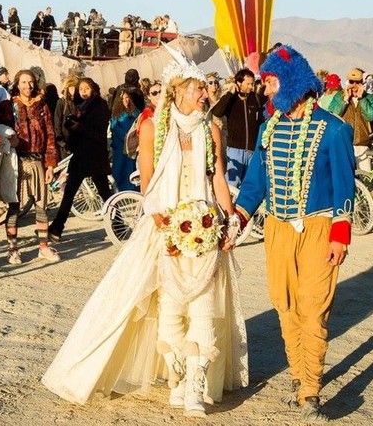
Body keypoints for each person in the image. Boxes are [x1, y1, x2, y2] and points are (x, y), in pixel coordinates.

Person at [42, 56, 248, 415]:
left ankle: (196, 385)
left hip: (204, 223)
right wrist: (162, 219)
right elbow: (148, 179)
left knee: (203, 304)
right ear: (180, 90)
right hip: (164, 222)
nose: (205, 93)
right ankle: (177, 375)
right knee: (166, 304)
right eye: (199, 88)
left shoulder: (210, 129)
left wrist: (228, 218)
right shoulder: (154, 127)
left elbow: (216, 177)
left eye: (205, 88)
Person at [235, 45, 355, 422]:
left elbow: (344, 186)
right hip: (277, 229)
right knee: (284, 302)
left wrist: (340, 234)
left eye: (270, 82)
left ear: (289, 82)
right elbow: (255, 182)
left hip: (319, 228)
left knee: (313, 304)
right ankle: (297, 372)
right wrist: (236, 218)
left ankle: (311, 390)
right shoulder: (268, 128)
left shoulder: (333, 129)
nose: (265, 89)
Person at [0, 69, 59, 264]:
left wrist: (50, 165)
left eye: (30, 82)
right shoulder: (8, 106)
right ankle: (12, 249)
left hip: (38, 160)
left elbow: (50, 136)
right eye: (23, 82)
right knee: (14, 207)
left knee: (41, 206)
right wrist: (7, 140)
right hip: (16, 161)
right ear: (17, 84)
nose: (27, 86)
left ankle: (43, 247)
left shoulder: (42, 106)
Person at [48, 78, 112, 242]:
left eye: (87, 88)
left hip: (94, 156)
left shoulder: (100, 105)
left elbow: (99, 131)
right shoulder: (80, 106)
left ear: (94, 89)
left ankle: (119, 225)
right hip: (82, 156)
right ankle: (56, 228)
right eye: (81, 88)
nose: (83, 91)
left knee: (104, 193)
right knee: (70, 193)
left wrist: (80, 127)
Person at [212, 68, 265, 187]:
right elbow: (217, 112)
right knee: (232, 184)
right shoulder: (231, 99)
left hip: (252, 151)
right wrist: (230, 93)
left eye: (252, 84)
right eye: (248, 84)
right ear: (239, 83)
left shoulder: (256, 99)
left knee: (249, 185)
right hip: (235, 150)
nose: (251, 87)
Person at [332, 68, 373, 173]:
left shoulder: (369, 98)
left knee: (366, 176)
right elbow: (333, 115)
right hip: (344, 143)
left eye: (357, 82)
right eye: (351, 82)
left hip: (362, 143)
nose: (354, 85)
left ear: (362, 83)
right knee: (345, 175)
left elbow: (371, 116)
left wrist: (362, 99)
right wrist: (344, 100)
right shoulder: (339, 97)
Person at [110, 87, 141, 191]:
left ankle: (132, 188)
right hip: (120, 145)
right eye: (123, 98)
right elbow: (115, 127)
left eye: (127, 98)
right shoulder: (116, 113)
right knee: (120, 167)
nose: (126, 100)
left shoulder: (135, 111)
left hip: (133, 144)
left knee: (131, 167)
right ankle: (119, 188)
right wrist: (125, 136)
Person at [54, 75, 79, 160]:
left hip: (79, 141)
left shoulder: (80, 102)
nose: (73, 90)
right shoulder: (61, 102)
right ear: (67, 88)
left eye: (75, 87)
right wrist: (61, 142)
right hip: (65, 142)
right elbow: (57, 122)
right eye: (71, 88)